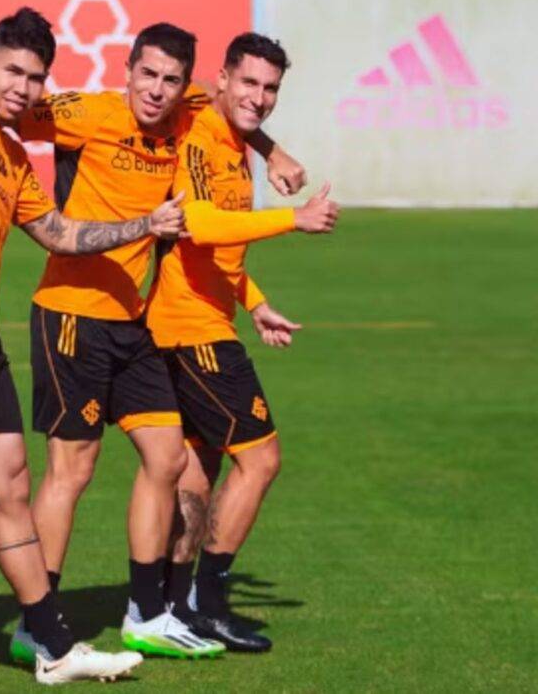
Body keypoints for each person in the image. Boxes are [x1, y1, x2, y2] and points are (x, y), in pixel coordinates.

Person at [0, 7, 185, 688]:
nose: (22, 87)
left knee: (13, 481)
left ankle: (52, 645)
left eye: (35, 77)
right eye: (12, 70)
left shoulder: (14, 155)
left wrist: (143, 224)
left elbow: (57, 233)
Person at [149, 33, 339, 653]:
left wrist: (254, 303)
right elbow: (200, 225)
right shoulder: (199, 132)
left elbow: (220, 253)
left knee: (198, 466)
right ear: (223, 79)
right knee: (261, 459)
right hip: (190, 328)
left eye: (271, 88)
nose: (259, 97)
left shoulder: (235, 142)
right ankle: (208, 601)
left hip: (205, 321)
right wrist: (295, 218)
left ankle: (173, 602)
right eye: (249, 82)